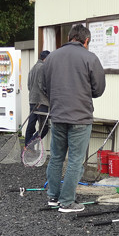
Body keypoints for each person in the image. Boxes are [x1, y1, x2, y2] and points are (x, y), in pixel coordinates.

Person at [43, 24, 106, 213]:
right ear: (86, 41)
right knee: (75, 160)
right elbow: (98, 89)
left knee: (56, 157)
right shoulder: (90, 58)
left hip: (58, 114)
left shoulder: (51, 57)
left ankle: (53, 197)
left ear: (70, 37)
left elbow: (45, 86)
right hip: (80, 116)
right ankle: (67, 202)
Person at [24, 50, 51, 148]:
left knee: (31, 125)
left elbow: (28, 85)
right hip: (42, 102)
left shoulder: (33, 68)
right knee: (44, 128)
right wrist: (50, 96)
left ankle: (26, 148)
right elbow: (43, 85)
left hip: (32, 100)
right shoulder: (43, 67)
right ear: (46, 59)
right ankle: (29, 146)